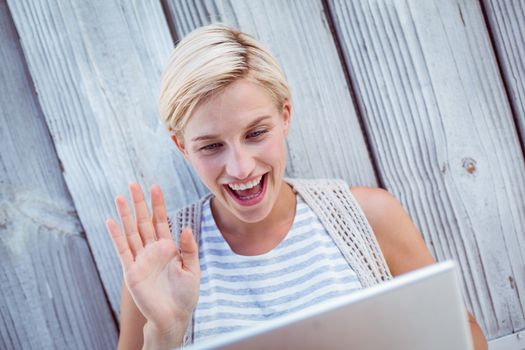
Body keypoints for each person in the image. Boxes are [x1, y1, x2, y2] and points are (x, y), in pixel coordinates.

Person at [105, 24, 488, 350]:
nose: (240, 168)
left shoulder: (367, 217)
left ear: (284, 117)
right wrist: (165, 335)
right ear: (182, 147)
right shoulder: (156, 263)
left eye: (256, 133)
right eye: (211, 146)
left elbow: (465, 335)